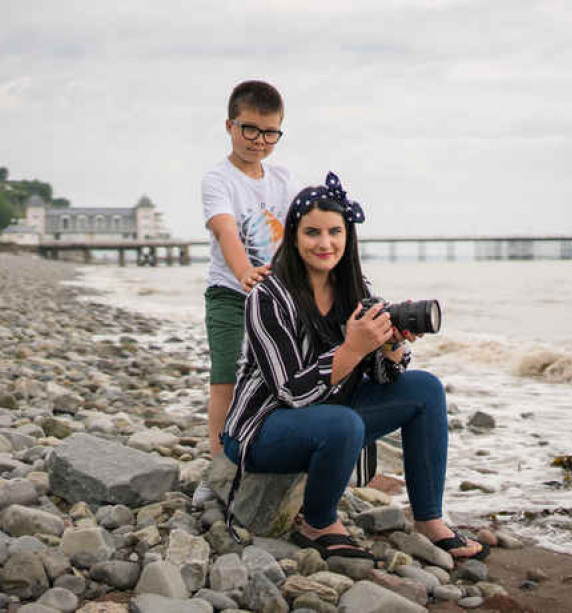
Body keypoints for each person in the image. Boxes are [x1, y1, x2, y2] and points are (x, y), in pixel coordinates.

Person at [221, 172, 488, 562]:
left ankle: (429, 518)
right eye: (312, 233)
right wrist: (351, 348)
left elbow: (382, 378)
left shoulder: (356, 290)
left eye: (335, 232)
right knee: (343, 422)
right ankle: (318, 522)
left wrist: (390, 347)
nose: (325, 243)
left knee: (425, 389)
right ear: (293, 237)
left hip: (328, 416)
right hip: (265, 428)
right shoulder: (268, 297)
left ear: (348, 237)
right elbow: (291, 393)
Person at [194, 80, 301, 505]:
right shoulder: (218, 180)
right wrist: (244, 274)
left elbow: (299, 234)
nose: (259, 140)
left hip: (279, 297)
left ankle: (266, 459)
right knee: (227, 381)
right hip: (230, 294)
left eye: (270, 132)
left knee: (279, 382)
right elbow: (224, 230)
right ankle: (220, 470)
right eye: (250, 129)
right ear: (230, 125)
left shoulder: (282, 178)